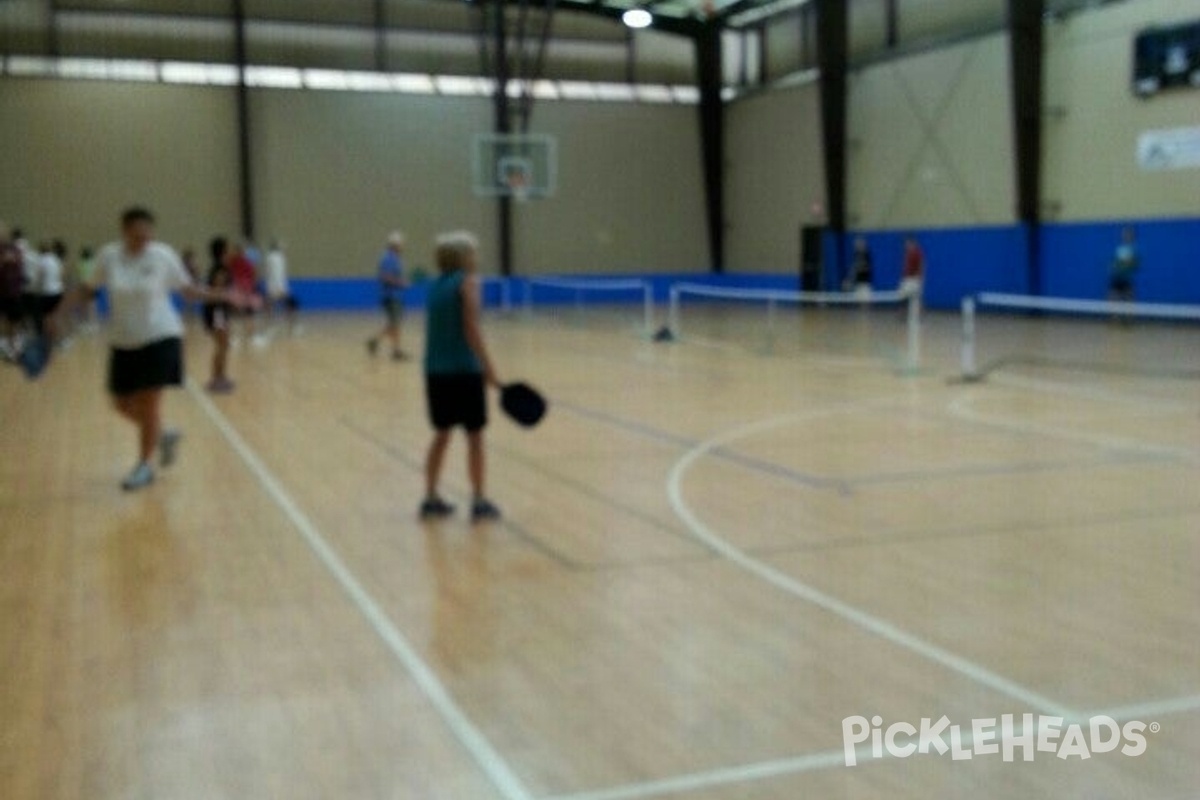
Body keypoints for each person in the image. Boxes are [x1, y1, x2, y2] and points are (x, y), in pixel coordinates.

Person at [49, 207, 244, 491]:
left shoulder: (162, 256)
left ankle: (143, 466)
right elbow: (87, 289)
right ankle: (163, 434)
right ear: (124, 231)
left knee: (149, 403)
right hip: (123, 341)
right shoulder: (109, 257)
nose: (143, 240)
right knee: (120, 404)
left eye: (147, 235)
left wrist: (221, 294)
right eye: (136, 235)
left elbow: (187, 289)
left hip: (161, 337)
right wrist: (57, 312)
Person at [420, 231, 502, 523]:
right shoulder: (469, 282)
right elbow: (471, 328)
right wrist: (489, 369)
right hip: (465, 371)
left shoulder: (434, 286)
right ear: (463, 257)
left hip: (435, 371)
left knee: (441, 434)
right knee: (475, 437)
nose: (476, 258)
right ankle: (479, 500)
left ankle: (430, 497)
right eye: (473, 252)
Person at [367, 231, 409, 361]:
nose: (402, 246)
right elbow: (385, 276)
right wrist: (400, 283)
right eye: (401, 244)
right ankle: (390, 348)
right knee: (395, 323)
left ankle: (384, 345)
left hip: (394, 295)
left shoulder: (393, 258)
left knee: (394, 323)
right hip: (391, 296)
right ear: (395, 245)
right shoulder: (389, 258)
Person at [202, 237, 236, 394]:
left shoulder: (220, 267)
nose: (231, 251)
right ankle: (216, 379)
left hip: (219, 310)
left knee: (224, 344)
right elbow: (217, 289)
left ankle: (221, 376)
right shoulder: (220, 269)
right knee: (222, 345)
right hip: (217, 311)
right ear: (223, 251)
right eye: (228, 249)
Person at [0, 223, 25, 360]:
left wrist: (8, 260)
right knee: (5, 320)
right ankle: (8, 346)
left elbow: (17, 261)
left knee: (14, 321)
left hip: (13, 292)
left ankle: (14, 346)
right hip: (2, 292)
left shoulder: (15, 249)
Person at [264, 239, 299, 335]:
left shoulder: (270, 257)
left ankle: (270, 324)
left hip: (273, 286)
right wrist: (280, 288)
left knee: (270, 305)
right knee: (291, 305)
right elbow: (277, 273)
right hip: (279, 286)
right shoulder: (278, 258)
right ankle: (291, 325)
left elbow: (271, 272)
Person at [1109, 226, 1139, 303]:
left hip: (1126, 281)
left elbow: (1134, 265)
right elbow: (1114, 264)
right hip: (1115, 280)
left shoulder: (1134, 250)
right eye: (1124, 234)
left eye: (1128, 235)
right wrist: (1116, 265)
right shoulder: (1118, 248)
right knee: (1112, 303)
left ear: (1132, 237)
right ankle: (1114, 315)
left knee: (1129, 304)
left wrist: (1127, 264)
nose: (1126, 236)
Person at [899, 235, 925, 301]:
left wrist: (919, 277)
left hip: (913, 278)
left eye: (907, 243)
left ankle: (916, 310)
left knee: (914, 298)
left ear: (911, 243)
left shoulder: (917, 252)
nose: (905, 245)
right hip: (909, 278)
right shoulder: (908, 253)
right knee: (907, 296)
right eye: (905, 244)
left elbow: (921, 265)